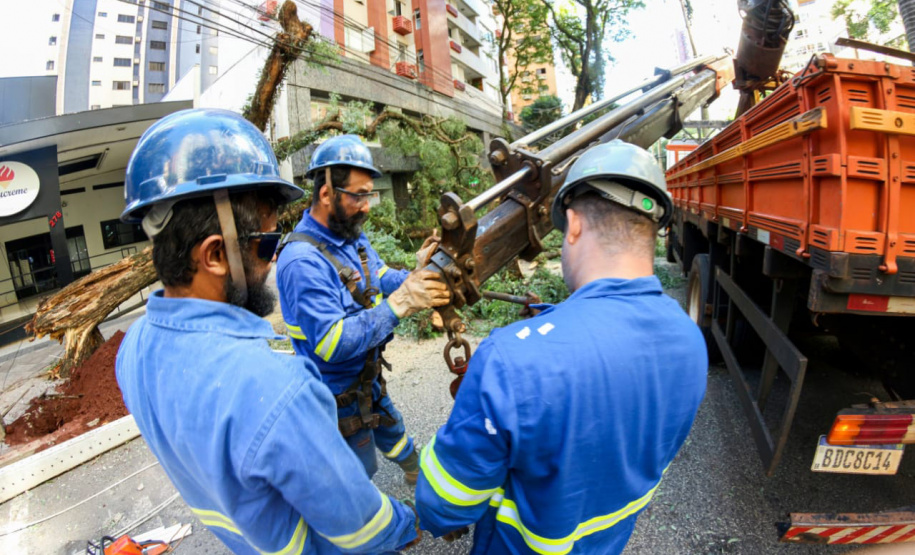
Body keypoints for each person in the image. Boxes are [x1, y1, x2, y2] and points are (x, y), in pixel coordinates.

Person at [115, 110, 419, 554]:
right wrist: (413, 523)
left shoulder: (133, 349)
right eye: (267, 244)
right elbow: (360, 524)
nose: (273, 259)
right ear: (216, 254)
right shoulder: (279, 388)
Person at [415, 139, 709, 554]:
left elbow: (443, 507)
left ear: (572, 224)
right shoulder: (689, 339)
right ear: (652, 228)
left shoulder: (511, 361)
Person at [276, 135, 449, 485]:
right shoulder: (302, 262)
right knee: (358, 472)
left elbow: (380, 277)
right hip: (334, 397)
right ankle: (373, 530)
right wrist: (401, 304)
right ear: (326, 194)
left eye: (369, 194)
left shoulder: (351, 234)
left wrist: (418, 275)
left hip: (366, 379)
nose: (368, 205)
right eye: (359, 195)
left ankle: (417, 476)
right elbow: (331, 343)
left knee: (393, 429)